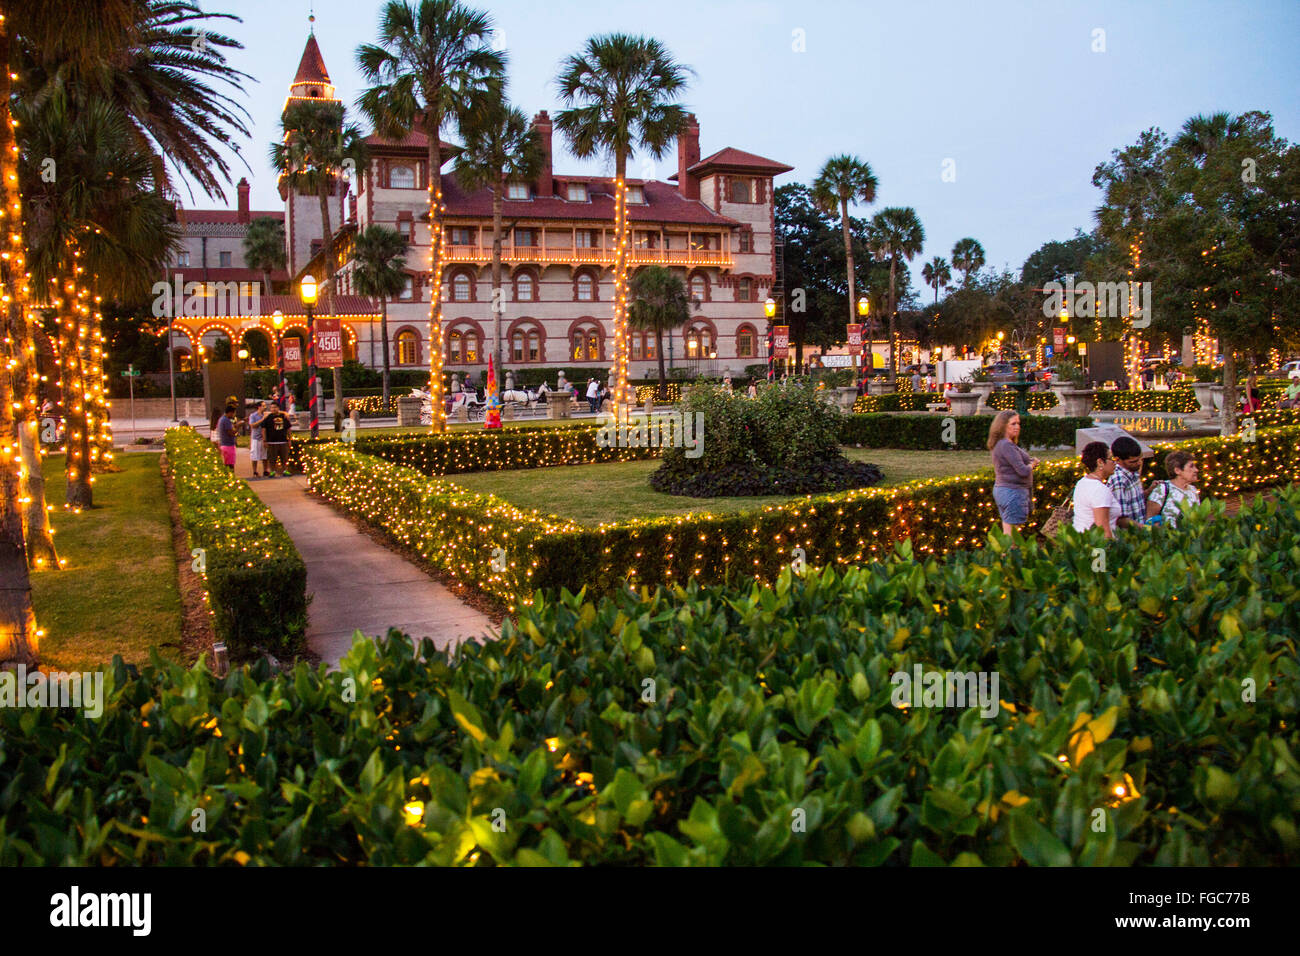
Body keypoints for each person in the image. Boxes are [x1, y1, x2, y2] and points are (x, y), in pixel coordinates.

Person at [989, 410, 1039, 535]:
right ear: (1003, 425)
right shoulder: (1006, 445)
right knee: (1012, 538)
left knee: (1008, 533)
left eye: (1018, 423)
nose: (1017, 427)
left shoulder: (1001, 444)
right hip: (1013, 492)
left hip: (1004, 490)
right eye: (1013, 424)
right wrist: (1032, 464)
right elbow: (1022, 470)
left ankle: (1006, 554)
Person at [1072, 441, 1119, 538]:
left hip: (1081, 540)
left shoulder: (1082, 482)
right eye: (1112, 459)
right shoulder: (1100, 490)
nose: (1115, 463)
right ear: (1100, 462)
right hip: (1095, 547)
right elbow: (1102, 529)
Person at [1146, 451, 1201, 528]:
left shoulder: (1193, 490)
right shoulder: (1162, 490)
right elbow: (1150, 521)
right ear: (1177, 470)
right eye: (1191, 466)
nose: (1196, 470)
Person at [1106, 436, 1147, 529]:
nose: (1139, 463)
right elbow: (1121, 519)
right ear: (1117, 459)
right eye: (1133, 461)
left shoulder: (1133, 471)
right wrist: (1146, 529)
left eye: (1140, 459)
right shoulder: (1119, 481)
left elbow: (1136, 500)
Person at [260, 403, 292, 477]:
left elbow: (288, 428)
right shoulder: (268, 418)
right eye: (271, 408)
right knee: (272, 458)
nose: (273, 409)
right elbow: (263, 429)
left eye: (275, 407)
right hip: (271, 441)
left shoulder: (284, 417)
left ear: (278, 408)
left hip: (283, 440)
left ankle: (285, 470)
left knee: (284, 457)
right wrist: (264, 440)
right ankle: (272, 471)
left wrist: (289, 439)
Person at [248, 402, 269, 477]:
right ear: (259, 407)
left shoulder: (265, 415)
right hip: (256, 438)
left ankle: (265, 470)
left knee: (265, 456)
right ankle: (255, 471)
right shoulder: (253, 416)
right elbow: (252, 425)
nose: (265, 407)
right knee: (255, 456)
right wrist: (263, 419)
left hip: (263, 437)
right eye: (263, 406)